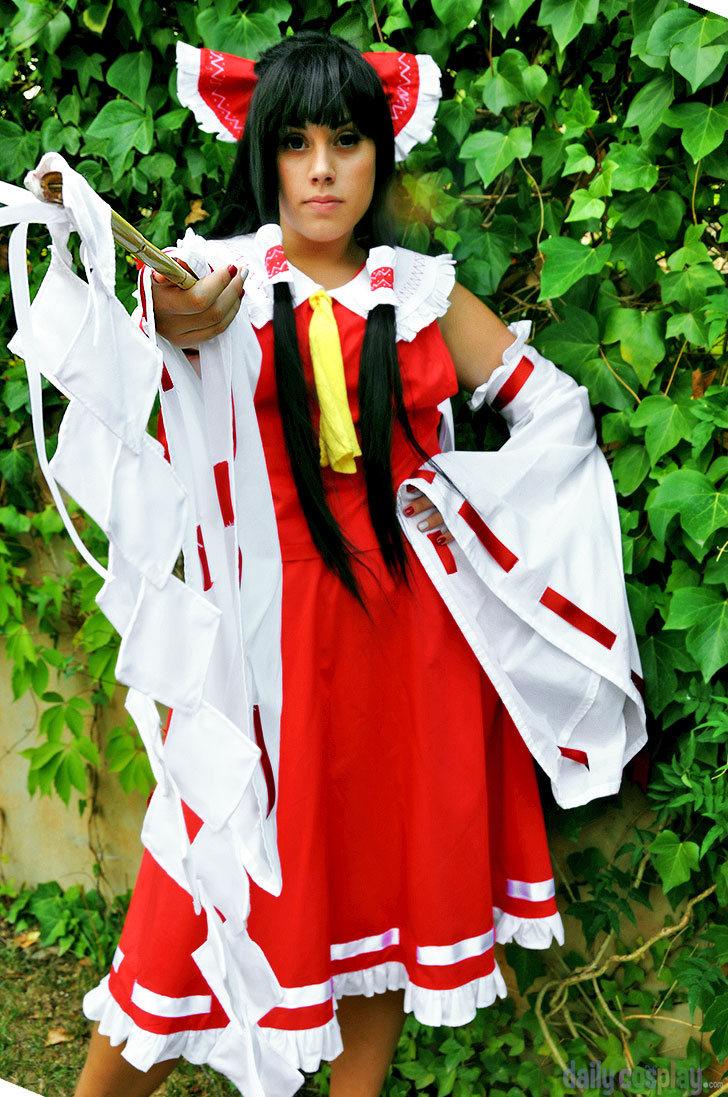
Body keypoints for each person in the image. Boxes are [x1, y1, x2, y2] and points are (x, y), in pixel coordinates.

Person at [69, 29, 645, 1097]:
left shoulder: (422, 294)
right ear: (262, 156)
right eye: (294, 142)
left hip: (410, 656)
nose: (321, 165)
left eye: (344, 139)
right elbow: (161, 328)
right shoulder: (219, 280)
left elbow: (552, 413)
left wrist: (472, 524)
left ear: (380, 153)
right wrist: (169, 319)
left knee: (384, 896)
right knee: (188, 890)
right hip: (262, 656)